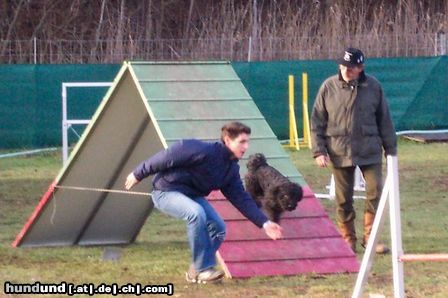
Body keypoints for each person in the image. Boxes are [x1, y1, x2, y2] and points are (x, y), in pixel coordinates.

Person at [124, 121, 283, 283]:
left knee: (219, 228)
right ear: (227, 140)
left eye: (248, 141)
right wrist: (138, 173)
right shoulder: (201, 150)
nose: (246, 146)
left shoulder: (231, 170)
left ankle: (196, 270)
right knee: (196, 213)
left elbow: (241, 198)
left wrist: (264, 223)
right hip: (165, 192)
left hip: (192, 196)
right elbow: (167, 157)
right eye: (242, 142)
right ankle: (203, 269)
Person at [310, 48, 397, 254]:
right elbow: (317, 122)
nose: (346, 70)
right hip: (339, 150)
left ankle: (371, 239)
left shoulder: (374, 87)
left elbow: (384, 120)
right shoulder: (328, 87)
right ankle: (347, 239)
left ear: (361, 68)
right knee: (343, 198)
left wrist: (391, 150)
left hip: (370, 149)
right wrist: (318, 151)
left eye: (351, 67)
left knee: (376, 191)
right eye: (343, 66)